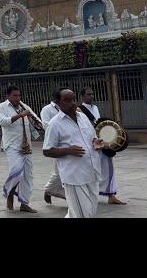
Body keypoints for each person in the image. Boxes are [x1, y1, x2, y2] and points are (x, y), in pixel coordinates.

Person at [43, 89, 103, 218]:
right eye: (67, 100)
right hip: (74, 176)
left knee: (89, 211)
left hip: (92, 171)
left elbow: (92, 137)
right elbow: (47, 151)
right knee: (82, 214)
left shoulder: (83, 117)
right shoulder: (55, 124)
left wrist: (96, 142)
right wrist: (68, 150)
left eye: (73, 99)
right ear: (58, 103)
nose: (72, 103)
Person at [79, 88, 126, 205]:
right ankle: (87, 195)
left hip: (102, 143)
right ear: (82, 97)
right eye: (88, 94)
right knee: (90, 170)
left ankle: (111, 195)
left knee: (109, 167)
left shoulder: (95, 108)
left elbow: (100, 125)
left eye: (92, 94)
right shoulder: (79, 110)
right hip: (90, 143)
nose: (91, 96)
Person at [0, 85, 38, 213]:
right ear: (8, 96)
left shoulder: (24, 106)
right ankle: (9, 194)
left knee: (27, 175)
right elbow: (3, 122)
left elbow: (36, 121)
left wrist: (35, 121)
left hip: (27, 145)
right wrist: (20, 115)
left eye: (19, 95)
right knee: (16, 171)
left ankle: (24, 203)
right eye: (15, 95)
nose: (17, 98)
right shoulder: (2, 107)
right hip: (12, 145)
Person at [41, 88, 65, 203]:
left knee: (64, 169)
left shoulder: (66, 108)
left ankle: (51, 189)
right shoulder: (47, 109)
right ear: (57, 99)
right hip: (54, 144)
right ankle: (49, 189)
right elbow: (46, 125)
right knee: (58, 170)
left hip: (66, 142)